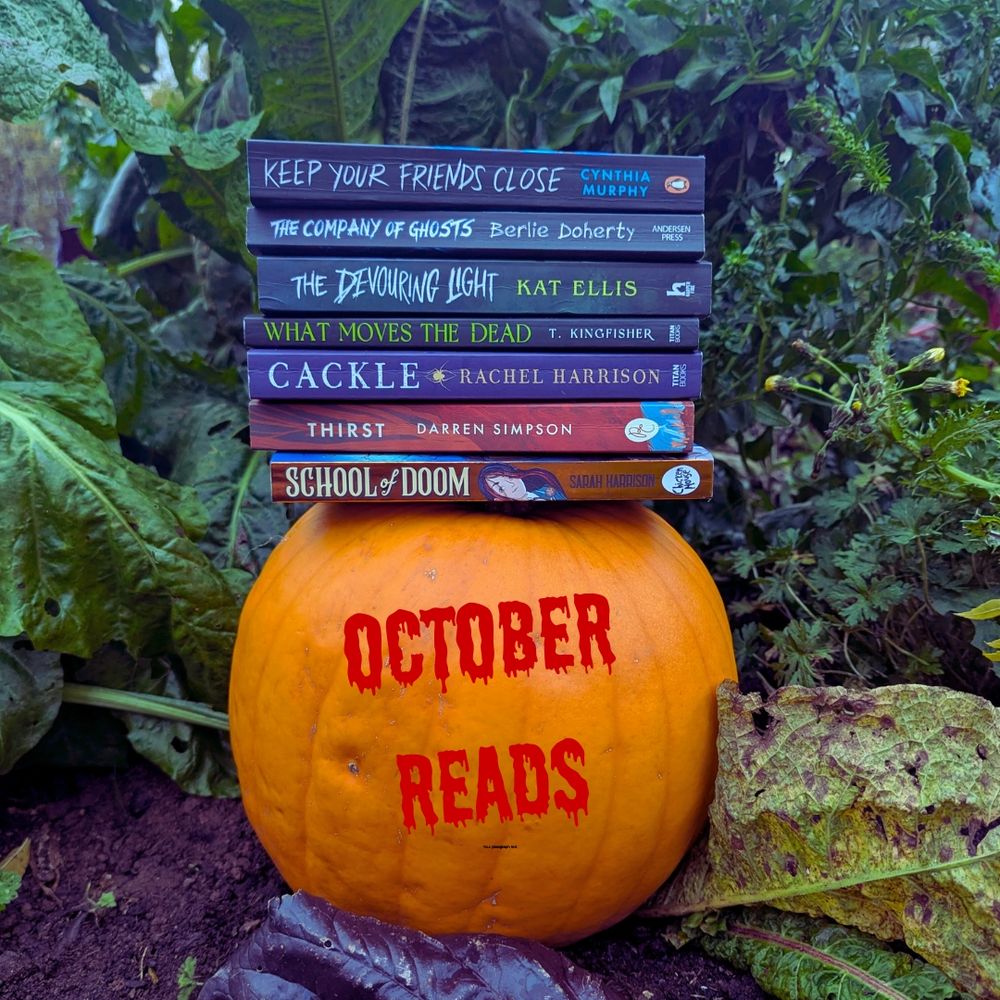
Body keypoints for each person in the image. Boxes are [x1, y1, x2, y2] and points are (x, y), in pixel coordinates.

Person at [478, 463, 568, 501]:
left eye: (509, 477)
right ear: (498, 499)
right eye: (501, 488)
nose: (511, 484)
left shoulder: (546, 490)